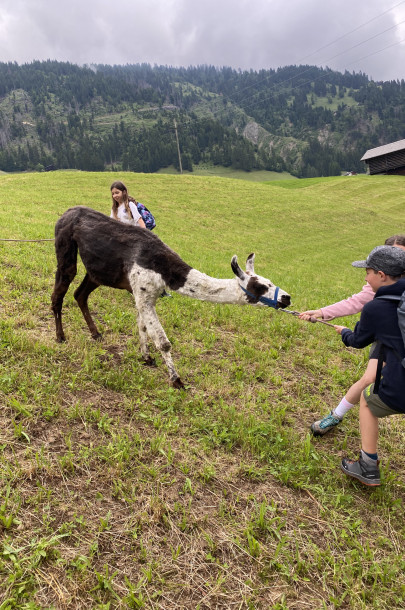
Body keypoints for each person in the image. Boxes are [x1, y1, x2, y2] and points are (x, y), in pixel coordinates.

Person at [299, 234, 405, 436]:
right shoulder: (380, 288)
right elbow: (359, 301)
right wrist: (322, 312)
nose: (399, 260)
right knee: (369, 379)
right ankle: (336, 415)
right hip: (387, 335)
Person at [333, 245, 405, 486]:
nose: (365, 277)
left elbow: (358, 340)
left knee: (368, 400)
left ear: (381, 275)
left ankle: (368, 466)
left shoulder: (376, 307)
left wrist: (344, 332)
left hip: (400, 386)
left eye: (368, 271)